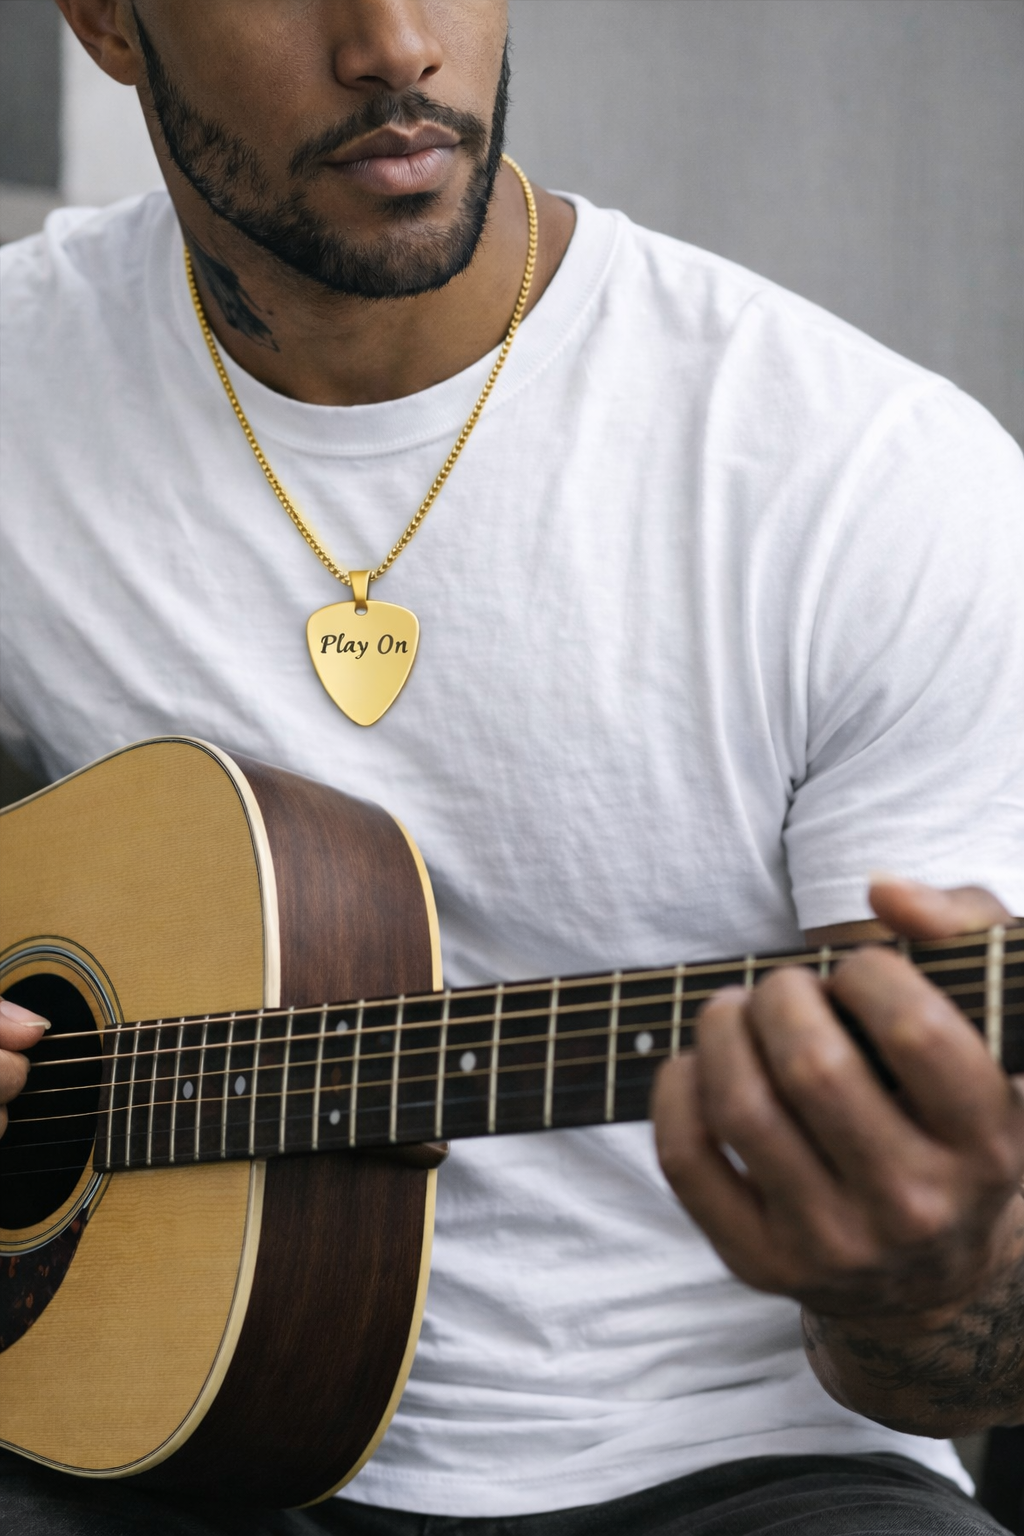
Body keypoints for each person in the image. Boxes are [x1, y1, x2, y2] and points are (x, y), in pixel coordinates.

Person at [1, 2, 1022, 1533]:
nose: (396, 43)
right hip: (101, 1427)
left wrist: (925, 1280)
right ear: (108, 22)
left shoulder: (873, 486)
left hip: (732, 1469)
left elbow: (962, 1372)